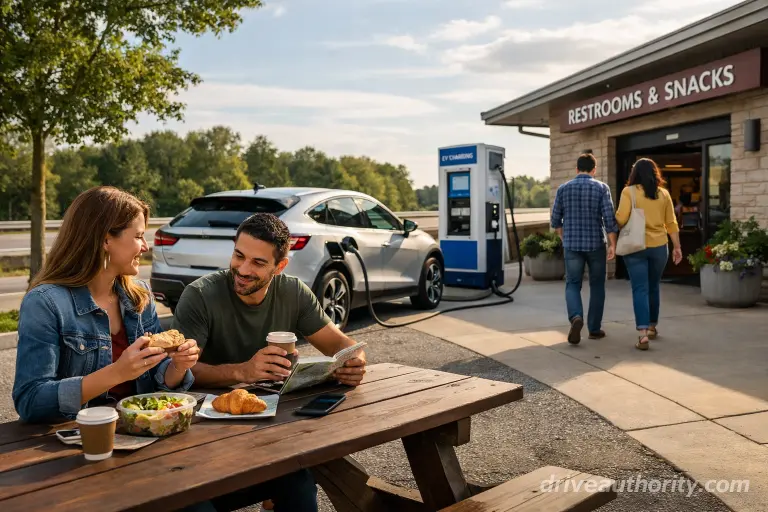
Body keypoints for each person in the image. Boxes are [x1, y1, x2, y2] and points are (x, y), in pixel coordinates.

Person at [172, 212, 368, 512]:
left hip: (271, 426)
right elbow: (181, 371)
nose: (243, 268)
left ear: (280, 266)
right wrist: (243, 371)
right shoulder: (199, 296)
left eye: (258, 263)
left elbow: (343, 345)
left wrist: (355, 362)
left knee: (300, 485)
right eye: (239, 255)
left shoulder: (293, 292)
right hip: (204, 433)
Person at [12, 187, 200, 424]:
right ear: (105, 239)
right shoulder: (45, 303)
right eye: (138, 236)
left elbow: (155, 380)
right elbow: (30, 400)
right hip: (75, 439)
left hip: (140, 430)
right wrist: (117, 373)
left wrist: (178, 366)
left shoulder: (139, 296)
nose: (145, 246)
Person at [550, 153, 618, 345]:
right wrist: (613, 244)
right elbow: (609, 219)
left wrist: (565, 237)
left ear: (577, 169)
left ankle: (576, 317)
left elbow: (555, 220)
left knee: (572, 284)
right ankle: (594, 329)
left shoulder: (563, 189)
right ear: (594, 170)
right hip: (596, 245)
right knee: (597, 286)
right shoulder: (602, 188)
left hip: (572, 245)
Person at [616, 158, 683, 350]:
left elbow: (620, 218)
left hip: (635, 247)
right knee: (653, 286)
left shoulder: (629, 192)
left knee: (640, 289)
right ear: (655, 174)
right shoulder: (664, 194)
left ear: (634, 173)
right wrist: (677, 247)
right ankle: (652, 326)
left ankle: (643, 334)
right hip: (659, 246)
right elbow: (671, 223)